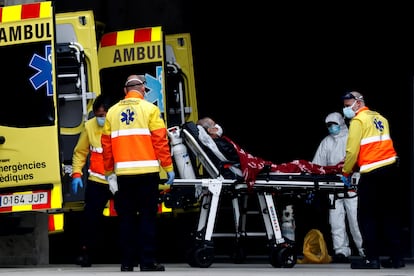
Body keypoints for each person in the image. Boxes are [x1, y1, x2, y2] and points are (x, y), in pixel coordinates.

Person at [101, 74, 175, 272]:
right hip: (147, 174)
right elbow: (160, 141)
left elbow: (106, 146)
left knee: (126, 219)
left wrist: (109, 172)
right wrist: (168, 167)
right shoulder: (150, 110)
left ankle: (127, 263)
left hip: (124, 175)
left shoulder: (112, 113)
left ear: (125, 91)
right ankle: (147, 262)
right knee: (147, 217)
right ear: (143, 90)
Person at [341, 91, 404, 269]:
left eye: (348, 106)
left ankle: (372, 259)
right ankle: (396, 258)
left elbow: (352, 151)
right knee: (390, 215)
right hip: (391, 170)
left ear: (358, 103)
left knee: (367, 217)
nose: (346, 109)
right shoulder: (380, 118)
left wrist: (346, 172)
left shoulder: (358, 121)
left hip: (373, 172)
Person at [312, 112, 364, 263]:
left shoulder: (352, 139)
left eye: (333, 124)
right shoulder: (326, 142)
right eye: (328, 125)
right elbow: (318, 165)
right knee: (335, 221)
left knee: (356, 220)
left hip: (351, 183)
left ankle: (364, 250)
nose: (330, 128)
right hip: (333, 186)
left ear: (341, 123)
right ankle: (341, 251)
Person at [71, 94, 114, 267]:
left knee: (128, 217)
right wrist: (76, 174)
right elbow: (80, 151)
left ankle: (130, 254)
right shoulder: (90, 126)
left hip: (119, 178)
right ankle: (85, 253)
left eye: (103, 115)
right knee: (90, 219)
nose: (100, 119)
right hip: (97, 180)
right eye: (98, 115)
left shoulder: (120, 125)